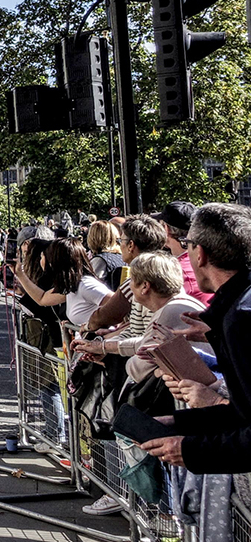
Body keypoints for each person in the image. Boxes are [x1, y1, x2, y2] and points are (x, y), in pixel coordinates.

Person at [140, 203, 251, 474]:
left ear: (199, 253)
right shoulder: (234, 310)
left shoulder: (240, 319)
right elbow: (242, 411)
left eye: (187, 246)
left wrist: (190, 450)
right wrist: (178, 422)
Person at [71, 250, 209, 383]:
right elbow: (144, 343)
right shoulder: (180, 304)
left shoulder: (168, 314)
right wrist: (103, 347)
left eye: (131, 281)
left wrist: (110, 350)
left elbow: (137, 369)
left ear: (144, 286)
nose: (129, 287)